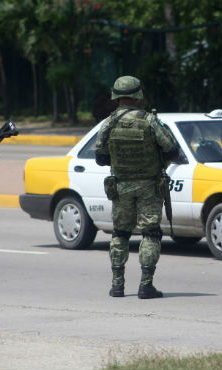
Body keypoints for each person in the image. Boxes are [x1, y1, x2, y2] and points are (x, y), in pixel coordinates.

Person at [94, 76, 178, 299]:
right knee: (150, 234)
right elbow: (172, 149)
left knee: (120, 234)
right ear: (138, 96)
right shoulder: (150, 120)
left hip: (121, 187)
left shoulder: (108, 123)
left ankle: (117, 285)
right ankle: (145, 285)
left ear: (117, 97)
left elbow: (100, 158)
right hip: (149, 186)